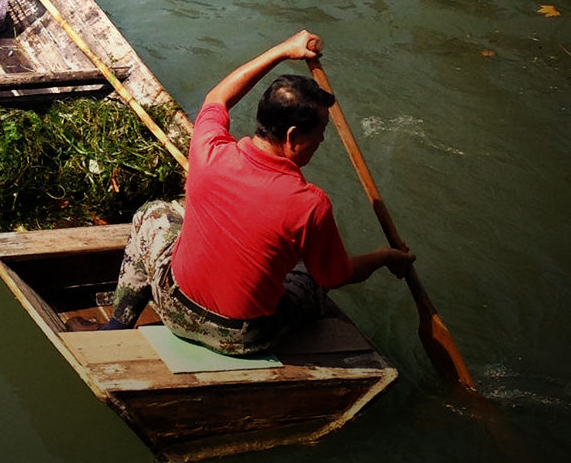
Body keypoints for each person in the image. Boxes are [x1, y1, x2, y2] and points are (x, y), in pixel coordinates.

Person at [102, 30, 415, 356]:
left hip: (172, 306)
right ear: (293, 136)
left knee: (153, 213)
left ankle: (119, 323)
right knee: (308, 278)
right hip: (242, 339)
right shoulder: (310, 204)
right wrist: (383, 257)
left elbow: (217, 98)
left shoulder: (209, 150)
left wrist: (282, 50)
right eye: (320, 134)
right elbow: (336, 275)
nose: (322, 142)